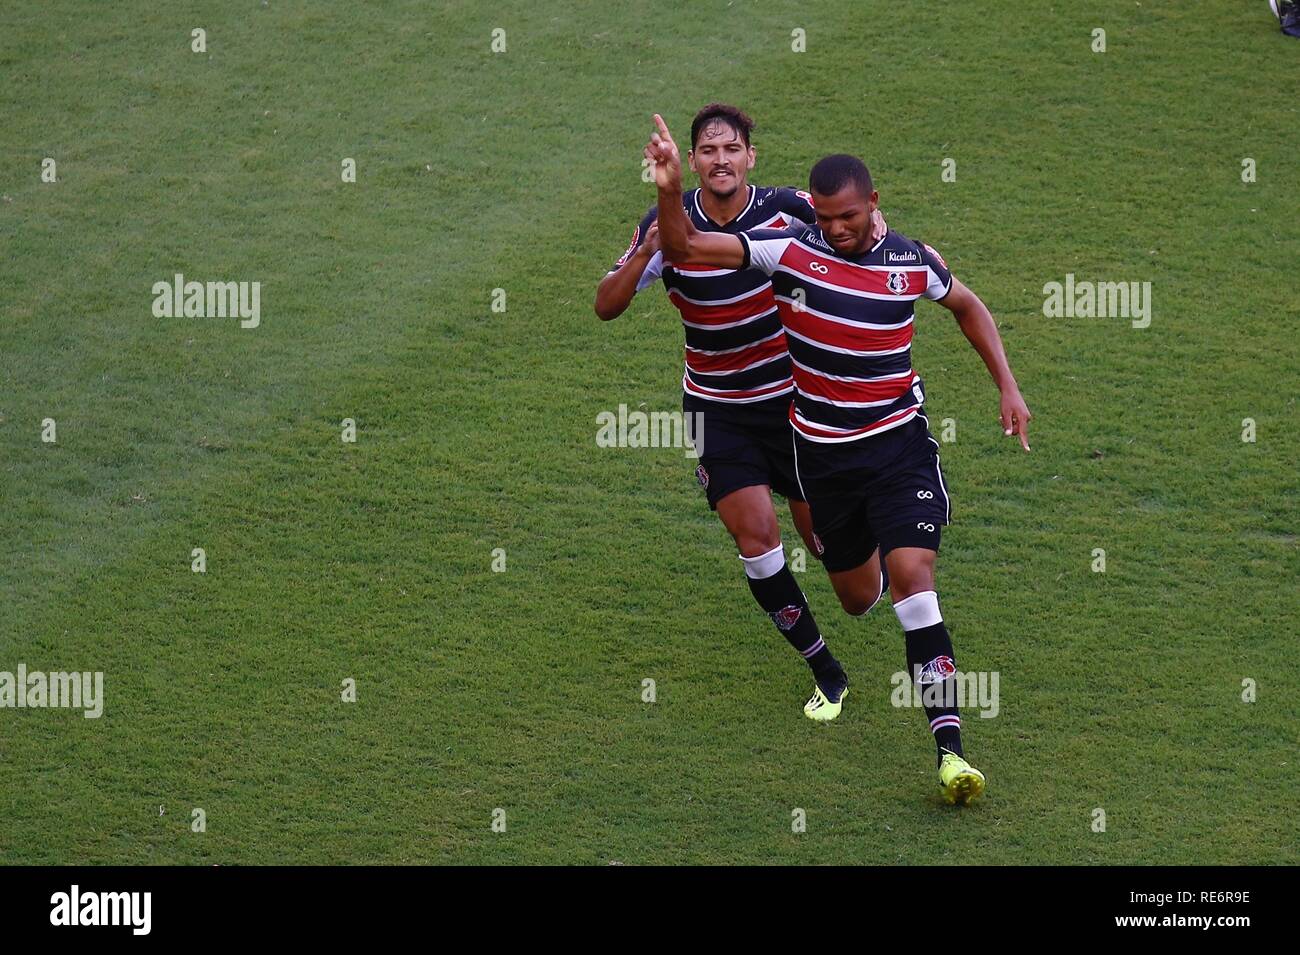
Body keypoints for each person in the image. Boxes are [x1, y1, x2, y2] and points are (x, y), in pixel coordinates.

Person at [645, 114, 1033, 805]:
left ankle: (951, 754)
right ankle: (863, 602)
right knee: (859, 598)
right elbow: (683, 245)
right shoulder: (788, 251)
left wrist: (1007, 385)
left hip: (898, 450)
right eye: (824, 217)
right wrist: (671, 188)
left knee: (915, 579)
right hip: (823, 460)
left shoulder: (914, 260)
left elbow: (968, 305)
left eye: (848, 216)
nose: (835, 228)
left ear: (874, 202)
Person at [596, 104, 887, 722]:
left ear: (750, 156)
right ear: (692, 160)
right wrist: (644, 251)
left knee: (855, 588)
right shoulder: (666, 223)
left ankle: (878, 537)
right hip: (718, 411)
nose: (720, 159)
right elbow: (605, 304)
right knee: (756, 539)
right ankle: (826, 672)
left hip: (796, 407)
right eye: (708, 150)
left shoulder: (792, 212)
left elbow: (863, 240)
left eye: (731, 149)